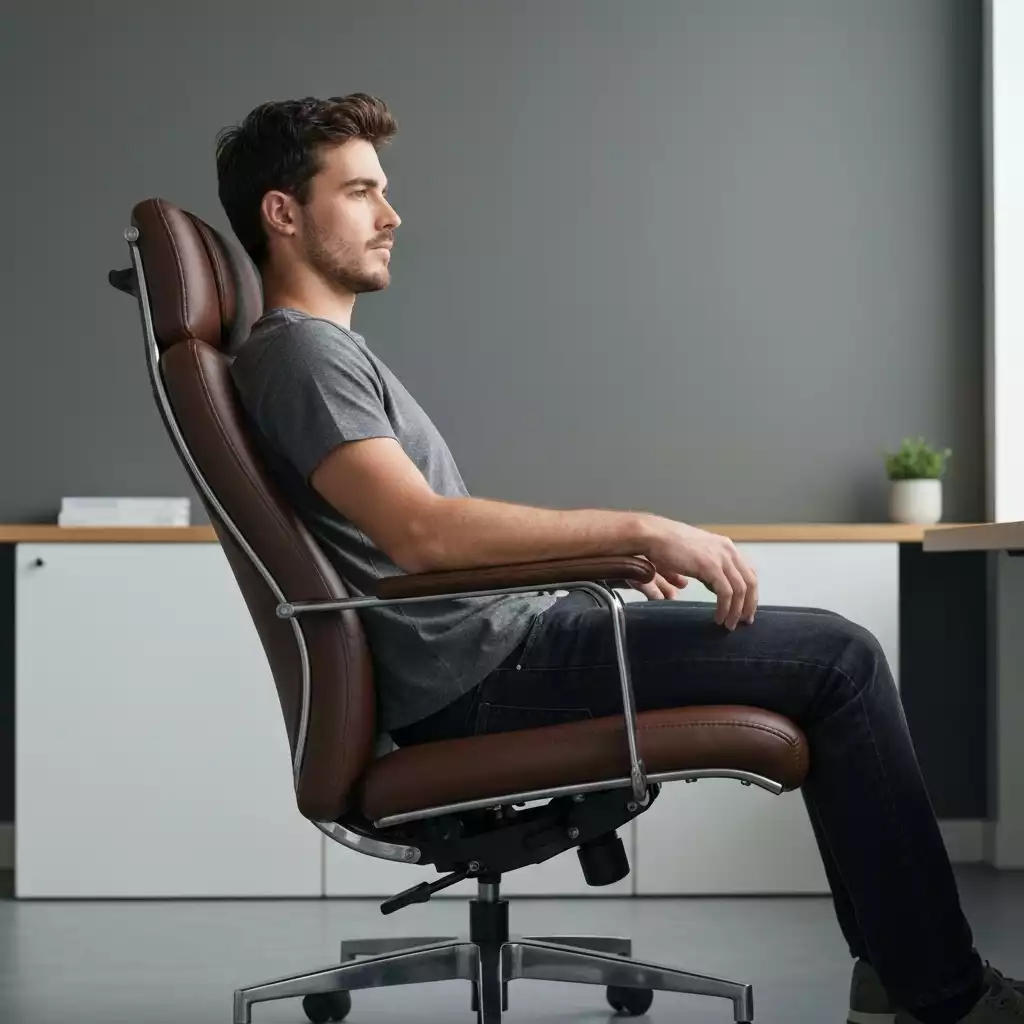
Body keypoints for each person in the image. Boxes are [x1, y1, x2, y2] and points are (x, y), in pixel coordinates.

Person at [216, 94, 1023, 1024]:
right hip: (484, 674)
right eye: (360, 192)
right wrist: (639, 529)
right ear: (282, 213)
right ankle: (941, 992)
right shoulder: (304, 360)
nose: (391, 215)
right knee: (840, 660)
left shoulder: (314, 354)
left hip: (495, 651)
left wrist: (605, 554)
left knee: (831, 662)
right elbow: (421, 535)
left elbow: (415, 540)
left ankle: (904, 977)